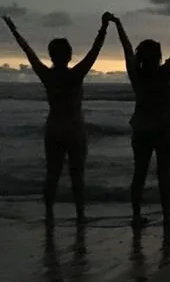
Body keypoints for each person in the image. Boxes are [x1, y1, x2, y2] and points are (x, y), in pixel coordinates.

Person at [3, 12, 110, 223]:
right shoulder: (75, 74)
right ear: (69, 55)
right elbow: (94, 51)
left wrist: (14, 31)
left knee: (52, 174)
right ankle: (80, 215)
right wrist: (104, 27)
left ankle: (49, 216)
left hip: (54, 128)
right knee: (77, 175)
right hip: (74, 128)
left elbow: (28, 53)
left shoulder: (47, 75)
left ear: (51, 56)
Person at [114, 12, 170, 229]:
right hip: (164, 129)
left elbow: (126, 48)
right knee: (164, 175)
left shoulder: (137, 76)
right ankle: (166, 215)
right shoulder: (164, 73)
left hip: (142, 129)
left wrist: (119, 25)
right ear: (157, 57)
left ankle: (136, 216)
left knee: (139, 173)